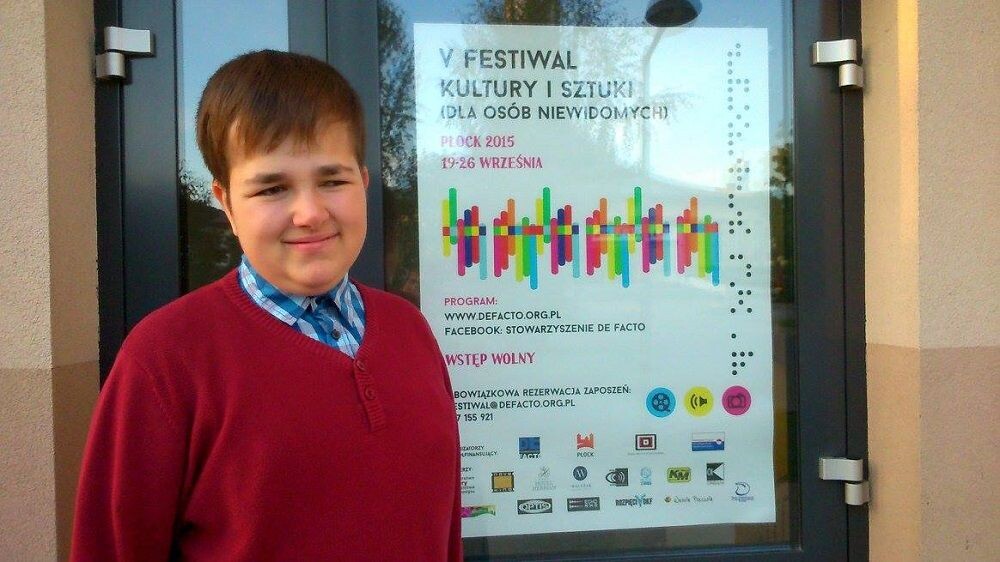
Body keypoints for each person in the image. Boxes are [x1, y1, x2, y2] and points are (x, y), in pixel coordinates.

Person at [71, 50, 462, 561]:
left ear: (364, 184)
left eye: (332, 180)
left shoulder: (409, 328)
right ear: (227, 203)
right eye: (273, 188)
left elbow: (443, 531)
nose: (309, 213)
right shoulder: (165, 358)